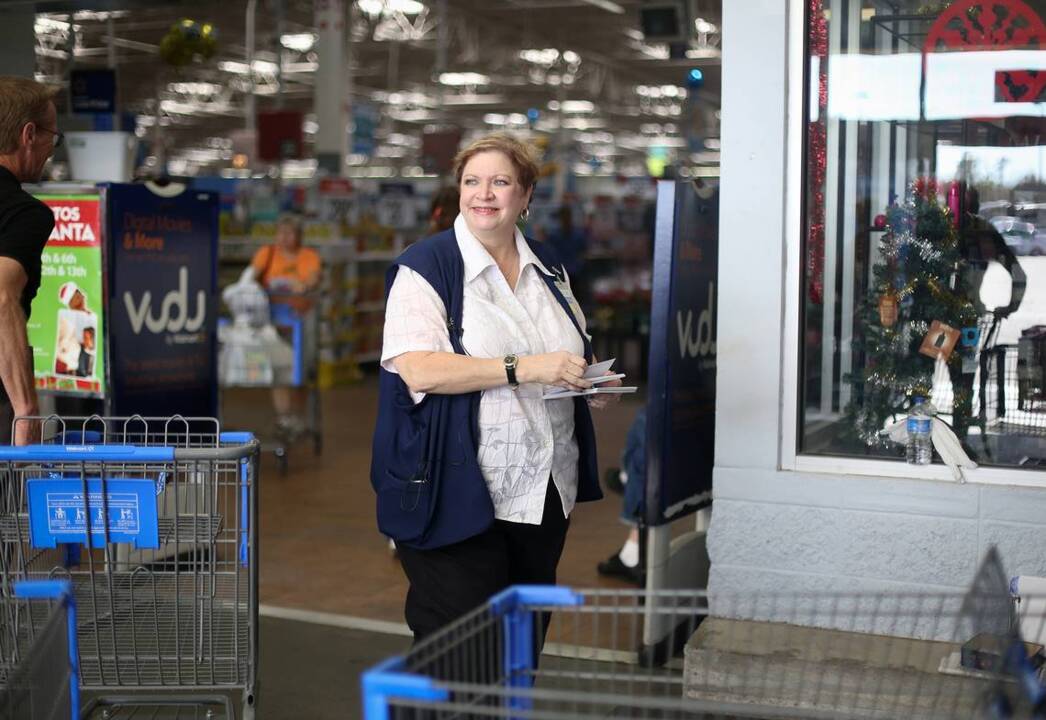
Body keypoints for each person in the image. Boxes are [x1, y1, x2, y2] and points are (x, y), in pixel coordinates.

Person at [374, 132, 621, 644]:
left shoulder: (549, 269)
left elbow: (568, 345)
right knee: (461, 652)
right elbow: (419, 369)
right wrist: (525, 368)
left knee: (519, 645)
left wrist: (587, 378)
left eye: (500, 182)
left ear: (526, 195)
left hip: (544, 493)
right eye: (472, 181)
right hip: (456, 489)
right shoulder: (428, 267)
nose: (484, 194)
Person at [0, 76, 59, 446]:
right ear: (29, 135)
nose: (53, 148)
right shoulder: (23, 213)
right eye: (54, 135)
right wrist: (25, 407)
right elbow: (2, 297)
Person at [247, 213, 322, 436]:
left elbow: (314, 277)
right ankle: (285, 417)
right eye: (281, 232)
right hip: (272, 320)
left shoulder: (308, 256)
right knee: (278, 369)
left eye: (290, 233)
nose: (284, 237)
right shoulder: (267, 254)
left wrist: (304, 285)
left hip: (301, 320)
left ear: (298, 235)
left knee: (301, 370)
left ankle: (299, 416)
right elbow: (252, 276)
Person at [54, 282, 97, 378]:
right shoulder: (66, 321)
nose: (83, 296)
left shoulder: (90, 316)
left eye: (80, 293)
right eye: (78, 295)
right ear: (72, 302)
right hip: (73, 370)